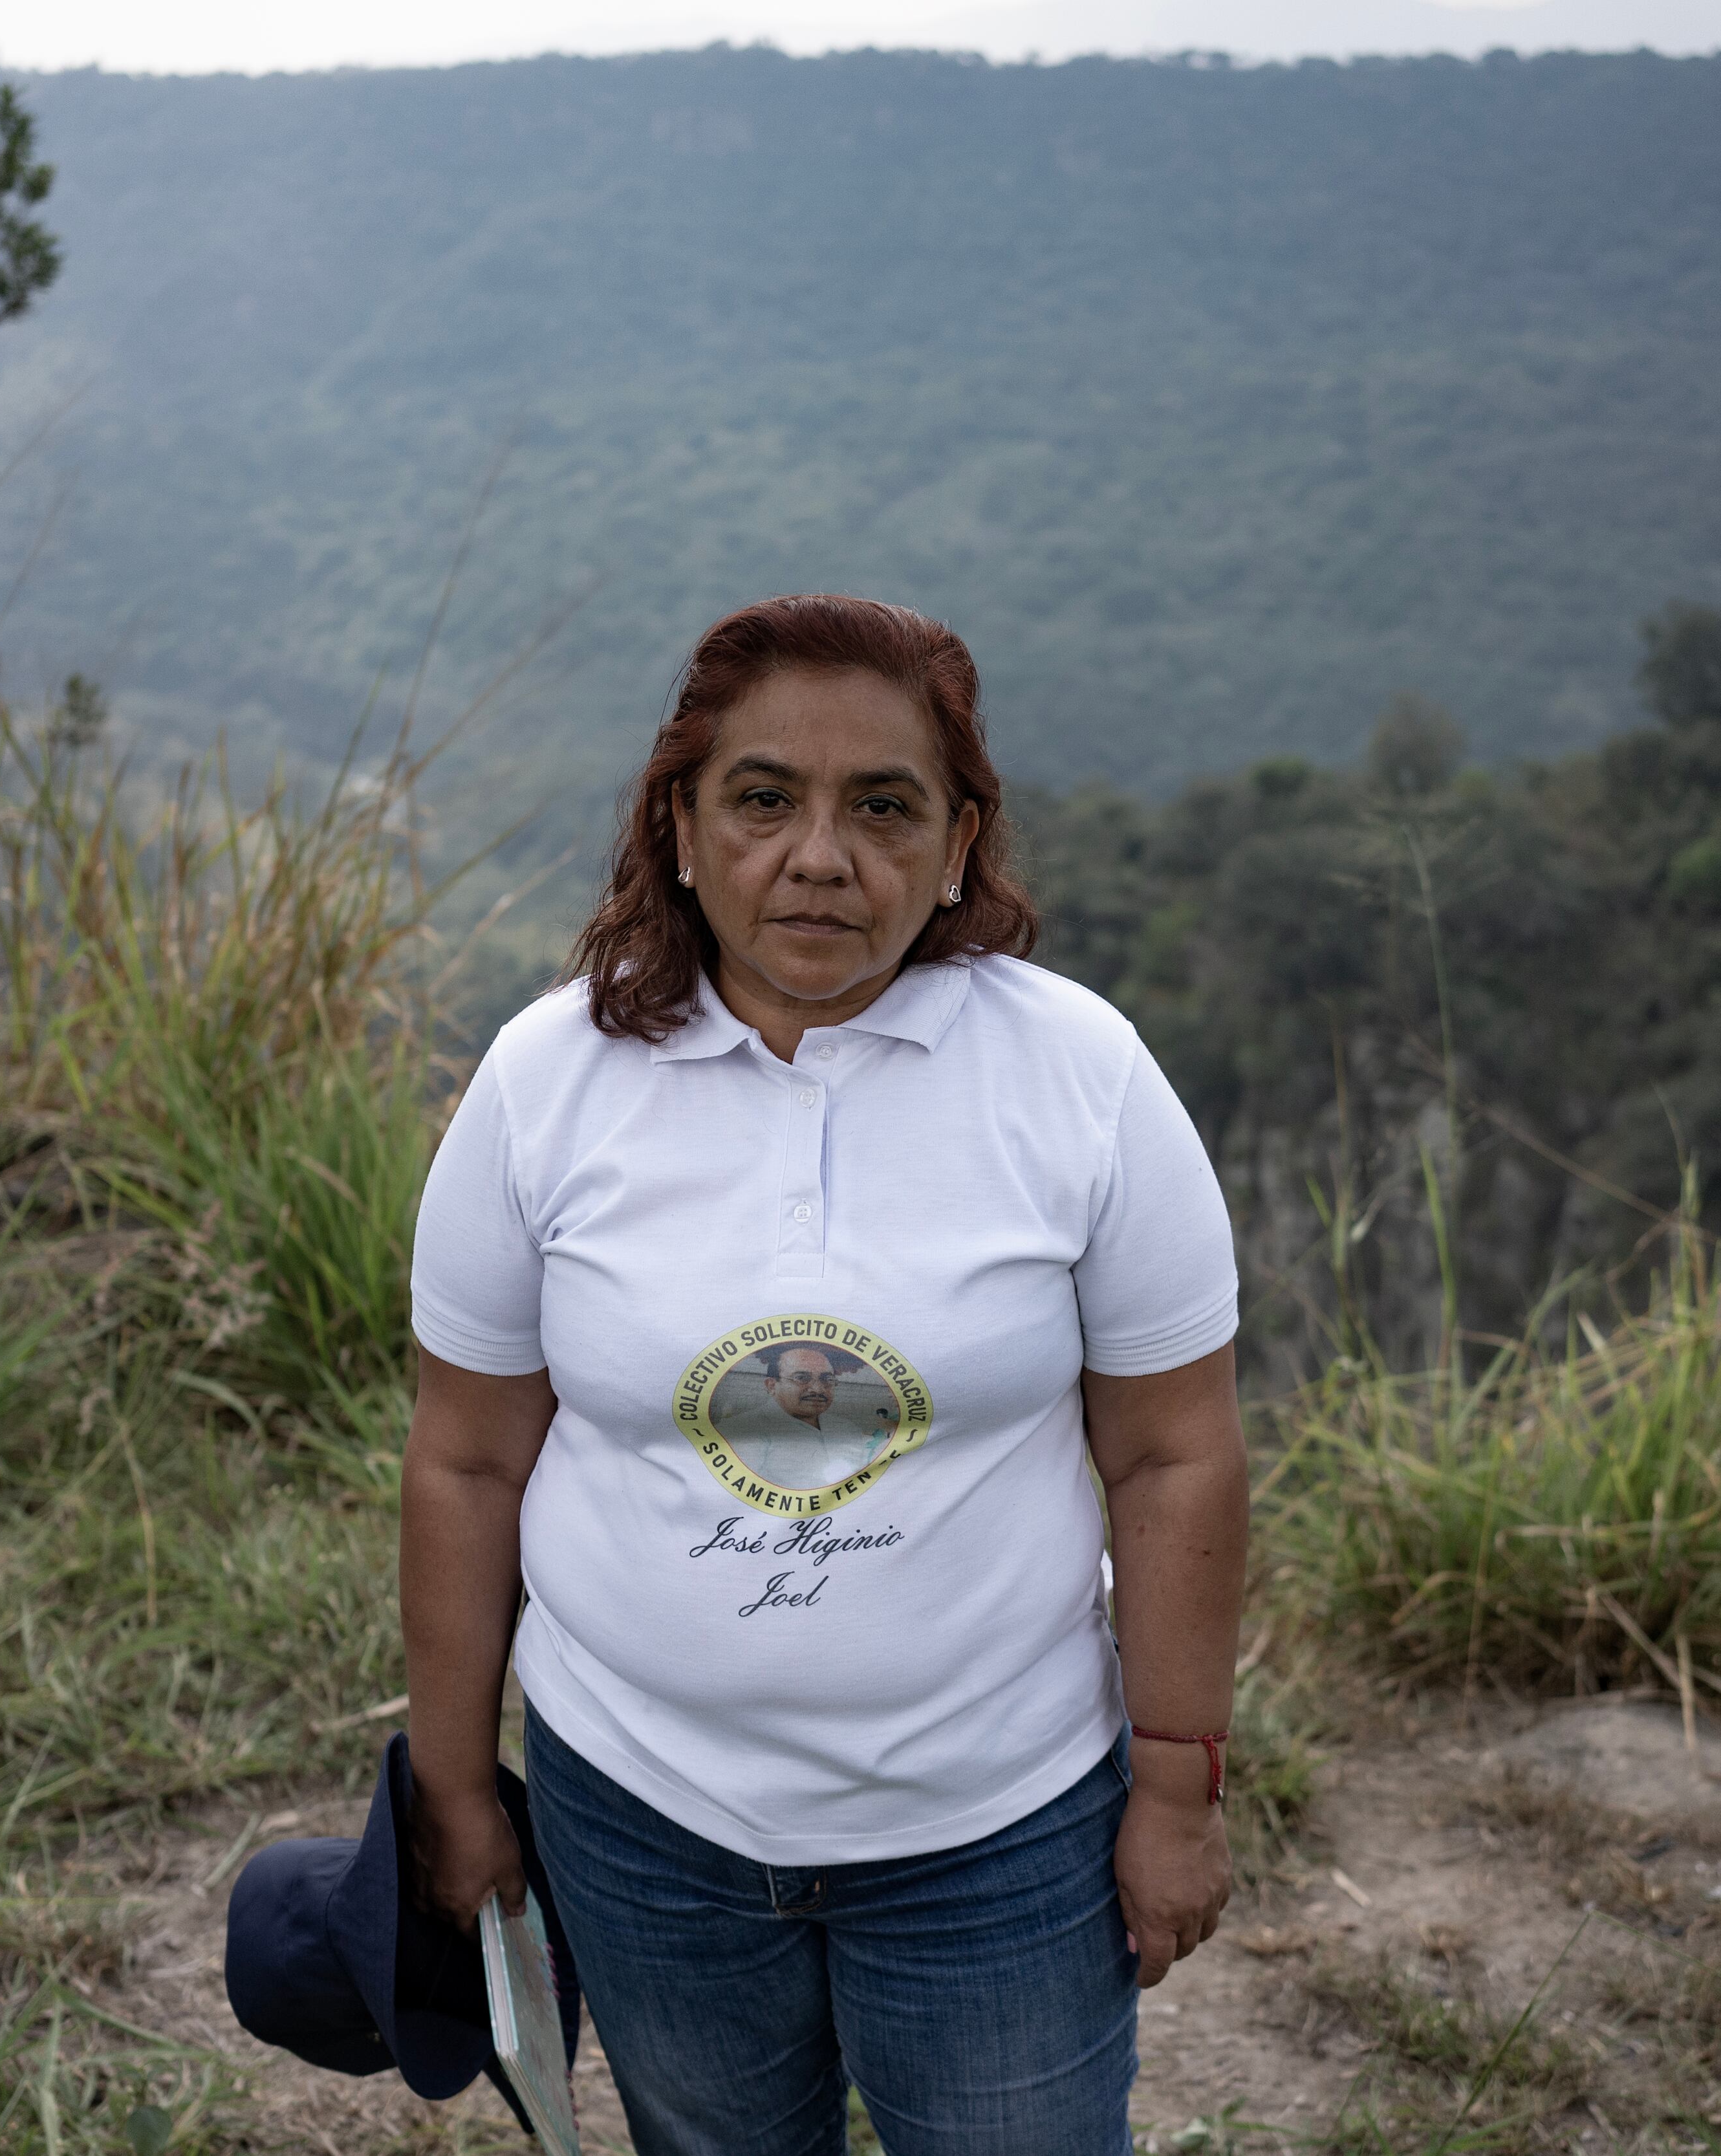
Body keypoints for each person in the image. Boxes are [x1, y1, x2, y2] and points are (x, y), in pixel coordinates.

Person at [402, 593, 1247, 2156]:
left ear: (955, 843)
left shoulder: (1080, 1082)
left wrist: (1177, 1793)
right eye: (763, 798)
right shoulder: (545, 1088)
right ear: (678, 826)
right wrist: (456, 1782)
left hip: (999, 1831)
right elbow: (467, 1459)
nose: (818, 856)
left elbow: (1173, 1453)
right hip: (644, 1818)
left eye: (883, 808)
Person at [711, 1342, 884, 1491]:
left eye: (827, 1380)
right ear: (771, 1385)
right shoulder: (740, 1430)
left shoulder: (847, 1428)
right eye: (802, 1378)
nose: (817, 1389)